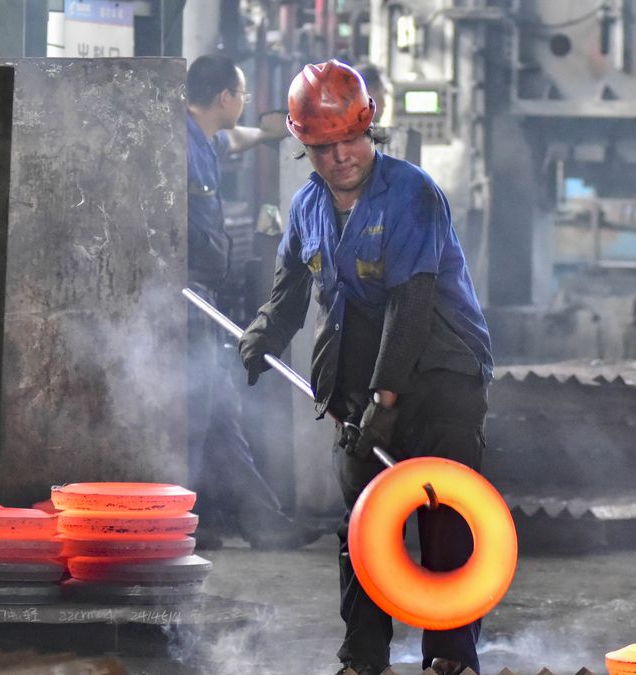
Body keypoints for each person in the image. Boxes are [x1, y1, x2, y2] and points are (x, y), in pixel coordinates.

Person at [237, 60, 494, 675]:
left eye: (350, 139)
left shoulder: (412, 195)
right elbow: (291, 289)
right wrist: (265, 330)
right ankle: (362, 660)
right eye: (323, 146)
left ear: (369, 128)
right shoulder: (306, 209)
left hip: (440, 375)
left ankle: (451, 660)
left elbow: (410, 308)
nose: (340, 156)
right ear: (304, 145)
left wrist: (385, 403)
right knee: (364, 530)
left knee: (444, 521)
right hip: (359, 380)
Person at [184, 53, 314, 551]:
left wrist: (277, 133)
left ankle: (258, 524)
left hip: (203, 298)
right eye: (241, 93)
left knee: (218, 412)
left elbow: (234, 138)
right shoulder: (177, 144)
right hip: (186, 298)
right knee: (197, 413)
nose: (243, 102)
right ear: (225, 98)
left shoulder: (204, 140)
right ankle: (182, 526)